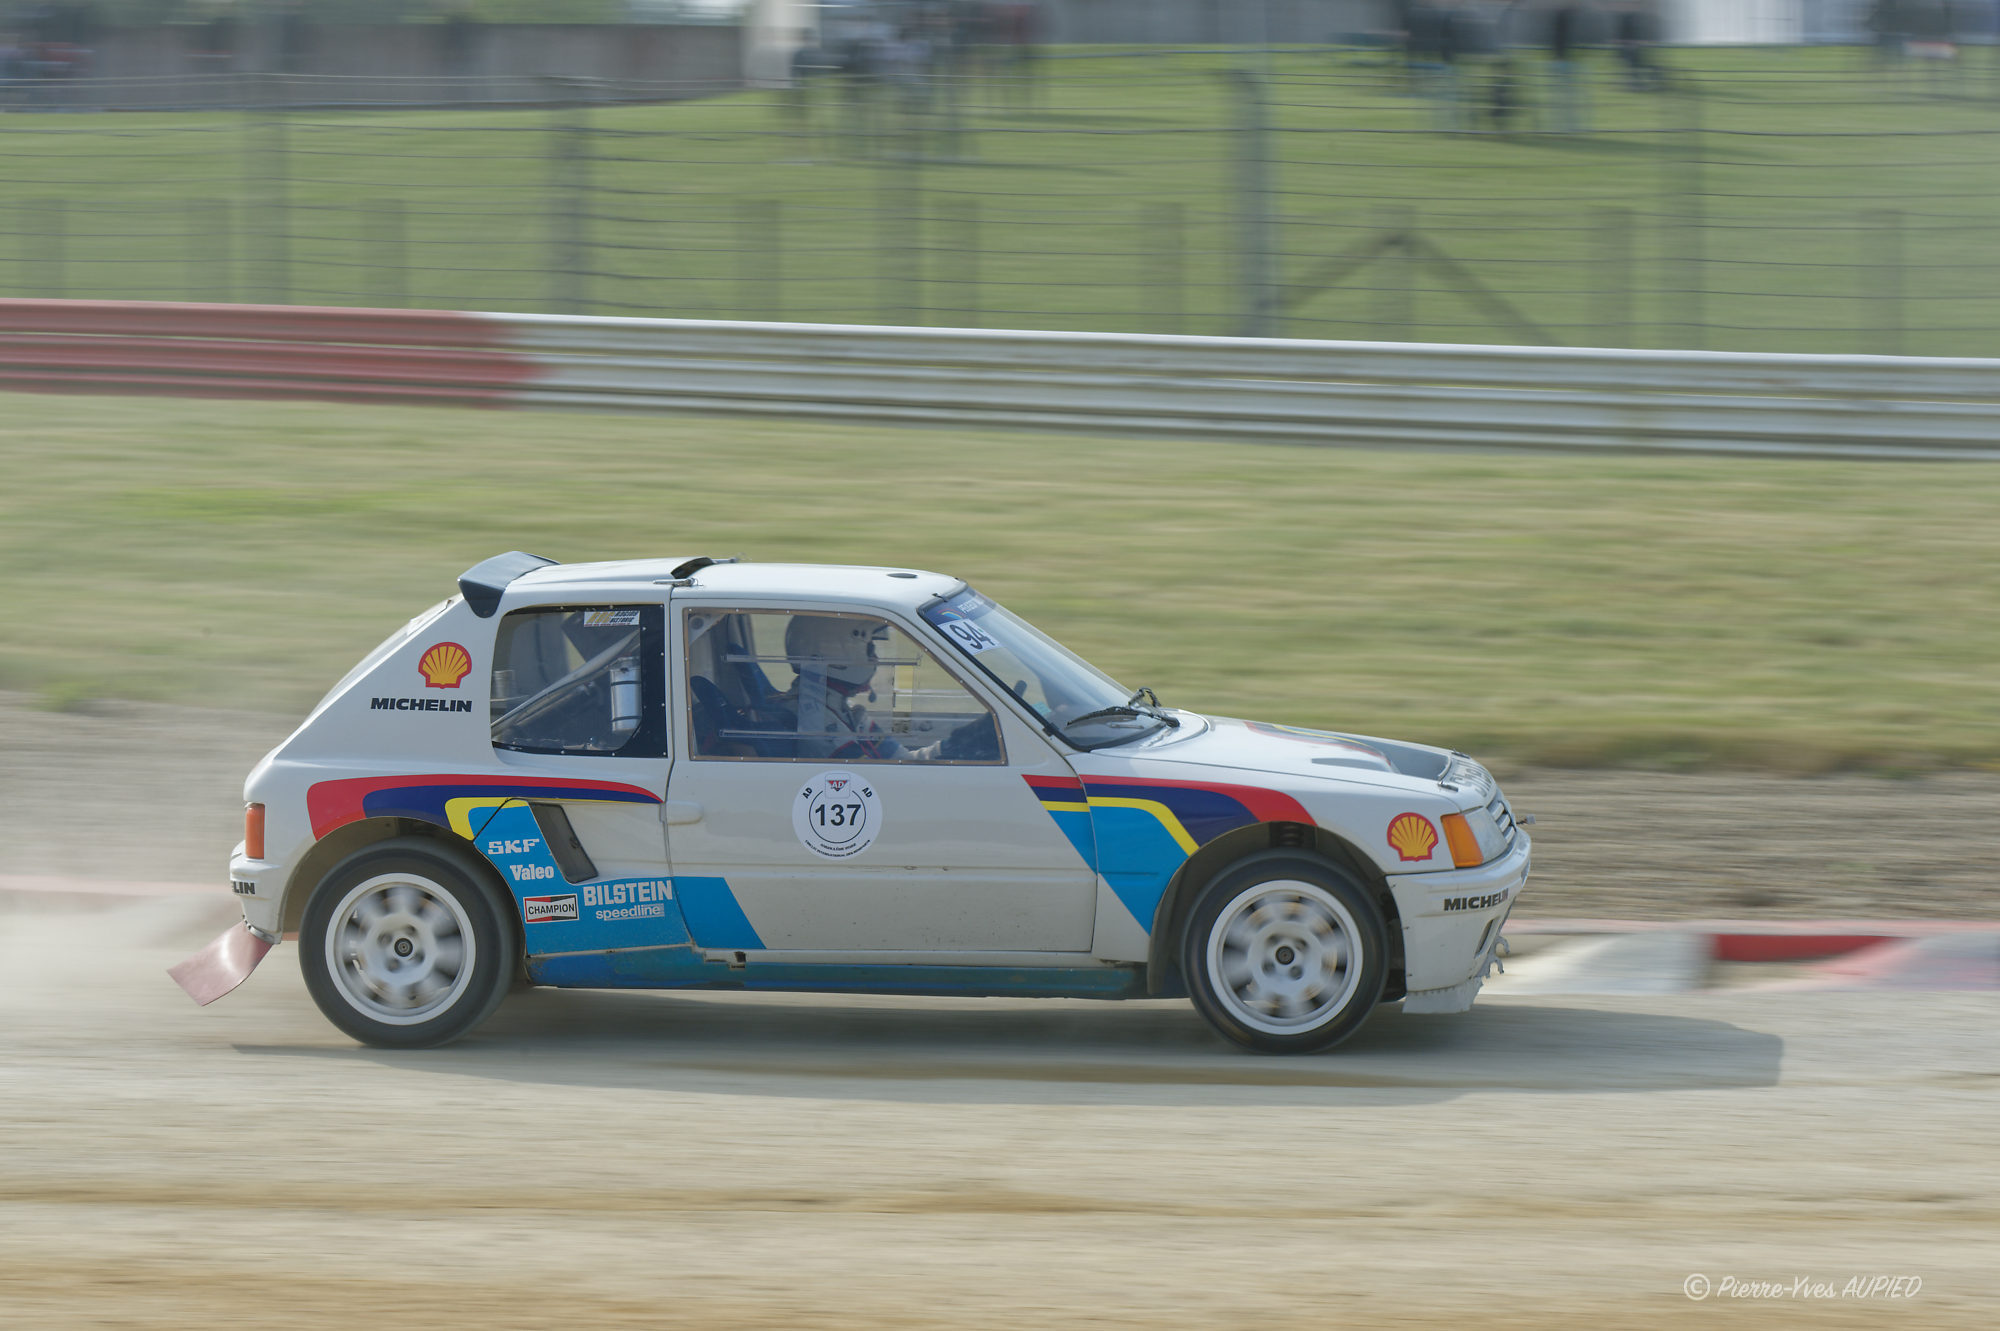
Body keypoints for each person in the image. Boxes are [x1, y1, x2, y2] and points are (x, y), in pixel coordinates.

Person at [776, 616, 941, 761]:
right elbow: (875, 776)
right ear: (836, 654)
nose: (875, 660)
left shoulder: (841, 710)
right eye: (869, 650)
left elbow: (902, 761)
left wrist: (943, 749)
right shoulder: (816, 722)